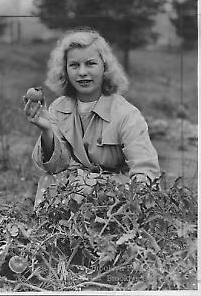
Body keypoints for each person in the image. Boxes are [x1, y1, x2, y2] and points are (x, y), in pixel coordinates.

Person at [23, 28, 160, 208]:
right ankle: (52, 230)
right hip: (75, 191)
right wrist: (47, 130)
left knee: (80, 184)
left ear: (105, 67)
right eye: (74, 65)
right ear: (65, 70)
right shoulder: (58, 108)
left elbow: (146, 171)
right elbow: (55, 167)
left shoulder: (126, 114)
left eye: (90, 63)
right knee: (48, 180)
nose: (82, 72)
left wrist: (133, 207)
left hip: (115, 196)